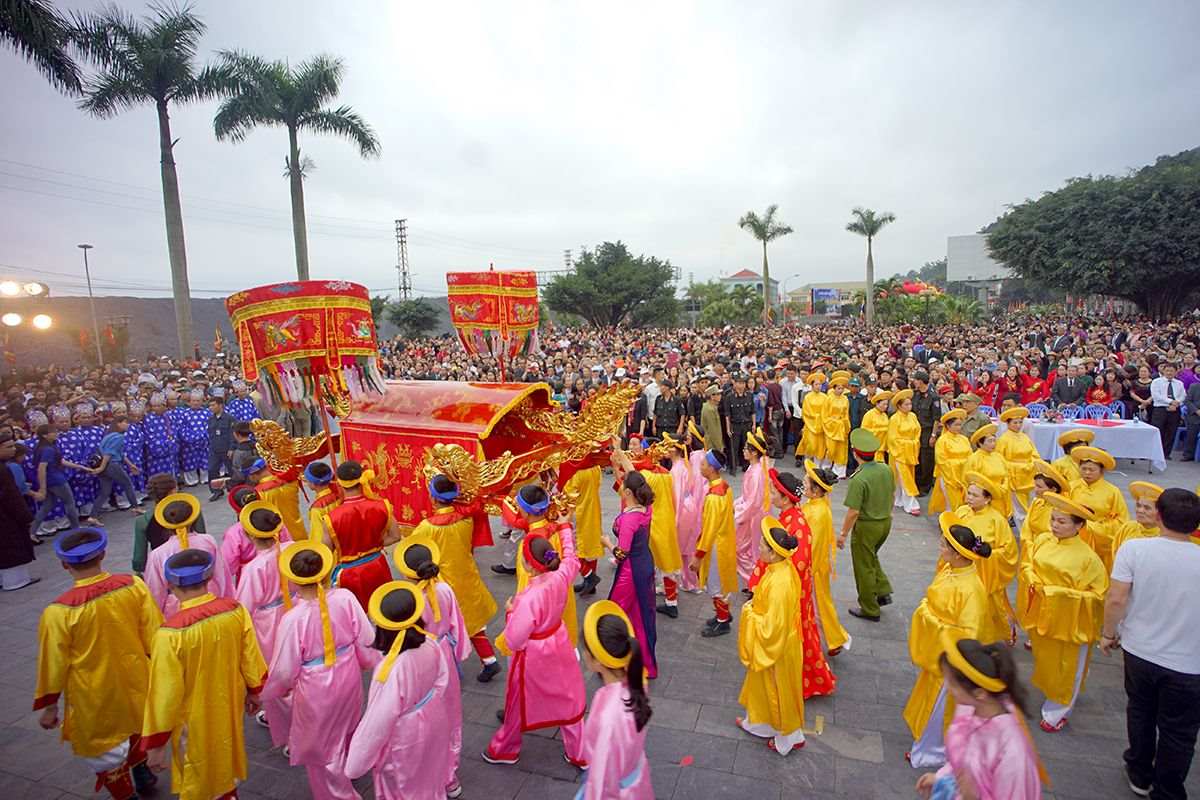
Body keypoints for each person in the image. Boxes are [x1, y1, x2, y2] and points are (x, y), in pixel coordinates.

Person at [33, 528, 161, 800]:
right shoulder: (133, 585)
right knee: (139, 726)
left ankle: (127, 793)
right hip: (137, 676)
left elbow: (52, 662)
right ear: (103, 554)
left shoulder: (58, 612)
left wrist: (49, 705)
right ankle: (142, 775)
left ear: (64, 564)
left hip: (94, 691)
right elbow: (154, 633)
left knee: (107, 748)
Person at [141, 548, 268, 800]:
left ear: (171, 585)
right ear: (209, 578)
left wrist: (155, 742)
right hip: (229, 700)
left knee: (197, 765)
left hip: (192, 713)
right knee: (227, 748)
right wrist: (254, 691)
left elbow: (164, 692)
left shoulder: (169, 634)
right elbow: (250, 656)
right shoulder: (234, 610)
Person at [1102, 488, 1200, 799]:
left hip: (1140, 649)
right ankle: (1168, 789)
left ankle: (1140, 770)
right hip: (1189, 661)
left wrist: (1108, 633)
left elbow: (1116, 598)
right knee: (1179, 732)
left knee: (1141, 710)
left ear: (1158, 516)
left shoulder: (1135, 550)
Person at [262, 542, 378, 800]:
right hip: (347, 672)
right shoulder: (345, 597)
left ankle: (338, 793)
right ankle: (351, 767)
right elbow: (367, 636)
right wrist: (364, 660)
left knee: (322, 744)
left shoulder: (293, 619)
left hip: (316, 685)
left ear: (292, 579)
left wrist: (276, 690)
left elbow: (284, 669)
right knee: (348, 723)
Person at [483, 501, 587, 768]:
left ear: (529, 567)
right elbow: (572, 557)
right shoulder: (562, 574)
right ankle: (579, 752)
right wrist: (565, 525)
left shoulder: (529, 596)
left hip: (535, 652)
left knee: (518, 698)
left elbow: (515, 639)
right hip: (559, 640)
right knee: (569, 696)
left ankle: (506, 748)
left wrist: (510, 612)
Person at [345, 579, 455, 798]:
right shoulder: (430, 643)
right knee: (431, 771)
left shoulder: (391, 669)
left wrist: (355, 763)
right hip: (434, 717)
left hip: (406, 733)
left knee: (404, 784)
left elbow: (379, 719)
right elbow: (442, 681)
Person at [904, 514, 991, 769]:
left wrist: (932, 619)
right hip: (937, 649)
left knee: (940, 707)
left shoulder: (971, 589)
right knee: (930, 700)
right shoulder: (949, 570)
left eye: (944, 546)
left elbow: (968, 633)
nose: (939, 548)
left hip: (950, 657)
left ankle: (932, 750)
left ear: (958, 554)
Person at [915, 632, 1045, 799]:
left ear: (980, 693)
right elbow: (964, 762)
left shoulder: (1013, 753)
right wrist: (941, 779)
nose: (947, 688)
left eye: (953, 684)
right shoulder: (970, 710)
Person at [1020, 492, 1108, 733]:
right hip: (1043, 612)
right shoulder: (1044, 540)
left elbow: (1099, 595)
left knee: (1069, 664)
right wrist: (1033, 579)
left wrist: (1060, 594)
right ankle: (1054, 691)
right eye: (1053, 520)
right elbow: (1028, 564)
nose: (1055, 526)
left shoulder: (1088, 559)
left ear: (1079, 525)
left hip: (1071, 620)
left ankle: (1060, 708)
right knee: (1048, 659)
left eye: (1062, 522)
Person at [393, 535, 470, 797]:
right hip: (444, 655)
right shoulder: (445, 589)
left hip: (418, 661)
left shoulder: (407, 598)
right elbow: (457, 626)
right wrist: (457, 654)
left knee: (421, 715)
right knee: (449, 715)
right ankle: (450, 775)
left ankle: (424, 774)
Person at [409, 475, 502, 682]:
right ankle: (489, 660)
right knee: (474, 622)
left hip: (442, 583)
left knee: (443, 626)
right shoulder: (466, 521)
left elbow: (411, 550)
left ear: (433, 498)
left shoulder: (426, 527)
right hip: (467, 576)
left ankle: (448, 667)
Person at [736, 520, 807, 755]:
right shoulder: (779, 569)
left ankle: (790, 737)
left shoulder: (780, 582)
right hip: (780, 642)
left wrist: (749, 612)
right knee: (762, 685)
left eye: (764, 545)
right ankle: (759, 723)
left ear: (775, 553)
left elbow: (772, 628)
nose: (760, 548)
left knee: (780, 691)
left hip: (779, 647)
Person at [577, 600, 654, 799]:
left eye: (586, 650)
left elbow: (602, 780)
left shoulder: (609, 716)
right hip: (634, 779)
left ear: (597, 661)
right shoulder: (637, 681)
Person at [234, 500, 294, 745]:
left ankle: (292, 727)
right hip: (295, 608)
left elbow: (244, 606)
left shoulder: (254, 568)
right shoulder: (292, 548)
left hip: (268, 621)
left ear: (249, 535)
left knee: (274, 672)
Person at [601, 472, 659, 676]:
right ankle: (643, 662)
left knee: (615, 611)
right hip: (645, 561)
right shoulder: (646, 509)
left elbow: (621, 552)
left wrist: (607, 542)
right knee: (640, 613)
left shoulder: (629, 519)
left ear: (628, 492)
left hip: (631, 570)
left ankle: (612, 658)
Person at [323, 459, 399, 609]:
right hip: (377, 565)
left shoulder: (331, 517)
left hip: (350, 574)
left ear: (339, 483)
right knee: (384, 609)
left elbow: (325, 552)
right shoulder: (381, 505)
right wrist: (375, 544)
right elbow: (396, 536)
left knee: (357, 617)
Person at [143, 492, 233, 616]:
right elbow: (221, 574)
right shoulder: (207, 541)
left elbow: (156, 591)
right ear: (193, 519)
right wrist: (228, 600)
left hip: (177, 605)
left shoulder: (157, 554)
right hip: (210, 596)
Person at [838, 428, 895, 622]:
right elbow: (892, 494)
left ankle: (870, 608)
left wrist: (843, 534)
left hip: (867, 526)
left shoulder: (859, 478)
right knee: (871, 557)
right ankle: (882, 590)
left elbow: (853, 511)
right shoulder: (885, 469)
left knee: (863, 566)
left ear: (855, 453)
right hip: (885, 522)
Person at [955, 472, 1019, 645]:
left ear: (987, 499)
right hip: (962, 568)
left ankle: (1002, 631)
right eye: (969, 493)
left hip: (986, 573)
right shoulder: (962, 512)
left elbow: (1009, 551)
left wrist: (988, 553)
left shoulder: (996, 520)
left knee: (992, 607)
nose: (969, 498)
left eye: (975, 495)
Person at [798, 463, 851, 657]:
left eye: (806, 483)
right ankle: (833, 638)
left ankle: (834, 638)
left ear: (817, 489)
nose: (803, 485)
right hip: (814, 566)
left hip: (813, 567)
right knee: (820, 604)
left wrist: (804, 567)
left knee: (819, 605)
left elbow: (812, 544)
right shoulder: (814, 506)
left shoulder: (818, 512)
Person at [688, 449, 738, 637]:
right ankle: (721, 615)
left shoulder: (713, 497)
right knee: (720, 582)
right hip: (724, 542)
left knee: (716, 585)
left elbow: (709, 530)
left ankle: (723, 621)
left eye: (702, 464)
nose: (700, 467)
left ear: (711, 469)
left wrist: (698, 556)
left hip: (716, 546)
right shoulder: (725, 487)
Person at [1068, 445, 1128, 573]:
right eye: (1084, 469)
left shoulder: (1112, 491)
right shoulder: (1071, 487)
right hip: (1072, 538)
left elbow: (1121, 521)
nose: (1087, 473)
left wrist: (1094, 528)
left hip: (1100, 541)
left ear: (1102, 471)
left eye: (1092, 469)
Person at [28, 423, 90, 539]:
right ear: (45, 435)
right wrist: (42, 487)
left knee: (47, 505)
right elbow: (42, 468)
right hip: (56, 479)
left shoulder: (43, 447)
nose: (56, 433)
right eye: (53, 432)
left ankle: (32, 531)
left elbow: (61, 461)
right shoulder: (47, 449)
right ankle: (76, 528)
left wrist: (81, 467)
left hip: (52, 479)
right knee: (69, 502)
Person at [1, 427, 38, 590]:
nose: (13, 450)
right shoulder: (4, 470)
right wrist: (25, 516)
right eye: (8, 447)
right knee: (11, 547)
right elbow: (12, 495)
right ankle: (15, 581)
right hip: (7, 517)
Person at [733, 427, 770, 583]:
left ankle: (754, 581)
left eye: (746, 449)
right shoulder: (753, 468)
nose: (744, 450)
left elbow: (753, 502)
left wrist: (739, 513)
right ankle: (753, 580)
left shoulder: (756, 472)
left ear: (755, 453)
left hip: (751, 517)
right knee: (748, 550)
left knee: (741, 550)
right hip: (750, 514)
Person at [562, 457, 604, 595]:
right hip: (593, 508)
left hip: (578, 513)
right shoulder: (595, 467)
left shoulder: (574, 472)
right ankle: (590, 583)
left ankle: (588, 576)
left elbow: (569, 496)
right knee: (591, 544)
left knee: (573, 547)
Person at [248, 457, 308, 539]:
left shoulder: (257, 494)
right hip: (300, 534)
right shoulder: (290, 482)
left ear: (253, 475)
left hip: (280, 539)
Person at [93, 417, 143, 515]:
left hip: (106, 465)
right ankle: (135, 508)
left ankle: (92, 516)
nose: (128, 425)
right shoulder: (119, 437)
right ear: (118, 424)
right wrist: (101, 467)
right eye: (125, 422)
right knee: (128, 484)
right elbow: (109, 453)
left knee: (105, 492)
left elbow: (119, 453)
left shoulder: (108, 436)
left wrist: (130, 465)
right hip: (112, 465)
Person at [964, 424, 1012, 520]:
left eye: (994, 441)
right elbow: (969, 480)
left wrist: (1004, 487)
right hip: (984, 497)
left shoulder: (998, 456)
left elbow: (1007, 474)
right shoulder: (974, 458)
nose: (993, 444)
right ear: (980, 443)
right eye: (990, 441)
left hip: (1001, 495)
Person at [996, 406, 1036, 520]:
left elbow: (1034, 454)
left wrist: (1032, 463)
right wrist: (1015, 467)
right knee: (1018, 508)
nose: (1018, 425)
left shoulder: (1025, 437)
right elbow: (1000, 459)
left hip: (1028, 474)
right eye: (1015, 423)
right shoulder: (1004, 439)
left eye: (1020, 422)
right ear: (1008, 424)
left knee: (1030, 504)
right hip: (1014, 476)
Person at [928, 409, 971, 516]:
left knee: (961, 500)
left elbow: (970, 456)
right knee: (951, 501)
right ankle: (949, 522)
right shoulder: (943, 440)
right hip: (948, 475)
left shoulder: (964, 439)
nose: (959, 428)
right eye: (956, 425)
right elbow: (941, 461)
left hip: (963, 474)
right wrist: (952, 474)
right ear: (948, 426)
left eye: (960, 425)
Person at [887, 388, 922, 516]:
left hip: (911, 451)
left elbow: (918, 432)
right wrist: (905, 444)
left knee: (907, 476)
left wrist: (914, 443)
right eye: (906, 404)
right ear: (899, 406)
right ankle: (911, 503)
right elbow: (892, 438)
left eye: (910, 404)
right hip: (899, 452)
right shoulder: (895, 419)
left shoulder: (913, 416)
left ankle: (899, 499)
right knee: (904, 477)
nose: (909, 406)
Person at [911, 371, 940, 495]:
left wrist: (933, 435)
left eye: (916, 380)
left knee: (926, 459)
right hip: (916, 430)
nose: (914, 382)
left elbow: (936, 418)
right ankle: (916, 483)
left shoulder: (934, 397)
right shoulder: (916, 394)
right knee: (916, 457)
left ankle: (925, 486)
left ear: (921, 381)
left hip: (927, 431)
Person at [723, 374, 756, 473]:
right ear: (734, 384)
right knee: (734, 447)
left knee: (746, 446)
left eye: (742, 383)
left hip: (747, 424)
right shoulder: (729, 397)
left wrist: (754, 424)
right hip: (735, 425)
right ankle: (733, 467)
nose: (741, 385)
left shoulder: (749, 395)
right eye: (739, 383)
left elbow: (753, 411)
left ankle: (746, 466)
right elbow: (727, 414)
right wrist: (728, 428)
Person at [177, 390, 210, 487]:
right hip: (188, 443)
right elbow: (181, 428)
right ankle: (192, 480)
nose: (196, 403)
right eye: (193, 401)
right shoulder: (184, 414)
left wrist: (203, 437)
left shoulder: (207, 413)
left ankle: (205, 478)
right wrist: (190, 438)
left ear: (202, 401)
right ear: (189, 402)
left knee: (205, 460)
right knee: (189, 461)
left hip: (205, 442)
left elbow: (210, 427)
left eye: (198, 400)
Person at [303, 461, 342, 543]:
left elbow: (318, 538)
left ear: (313, 484)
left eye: (307, 480)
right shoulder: (339, 493)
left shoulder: (317, 508)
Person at [822, 372, 852, 477]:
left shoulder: (845, 399)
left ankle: (839, 471)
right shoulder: (828, 398)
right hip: (832, 426)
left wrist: (846, 426)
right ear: (834, 388)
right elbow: (824, 415)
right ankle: (826, 467)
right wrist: (831, 423)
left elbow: (846, 414)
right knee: (830, 448)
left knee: (841, 449)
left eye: (842, 388)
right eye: (838, 388)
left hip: (842, 426)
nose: (840, 390)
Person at [206, 396, 234, 501]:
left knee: (232, 471)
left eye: (213, 405)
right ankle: (216, 491)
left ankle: (235, 489)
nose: (211, 407)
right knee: (212, 470)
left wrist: (232, 448)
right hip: (214, 450)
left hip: (227, 449)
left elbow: (232, 434)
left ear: (220, 405)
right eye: (210, 405)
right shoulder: (210, 419)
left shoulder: (229, 418)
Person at [798, 372, 827, 466]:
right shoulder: (807, 397)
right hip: (810, 426)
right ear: (812, 385)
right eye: (816, 384)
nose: (818, 386)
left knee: (820, 446)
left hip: (821, 426)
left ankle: (818, 465)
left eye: (820, 384)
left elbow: (827, 411)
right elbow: (806, 412)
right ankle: (808, 464)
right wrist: (816, 417)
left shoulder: (825, 397)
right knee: (810, 445)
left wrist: (821, 419)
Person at [860, 390, 892, 462]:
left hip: (881, 448)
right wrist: (880, 431)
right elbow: (864, 431)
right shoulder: (869, 414)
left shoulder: (885, 415)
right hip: (872, 449)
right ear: (877, 403)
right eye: (883, 404)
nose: (885, 407)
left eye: (887, 404)